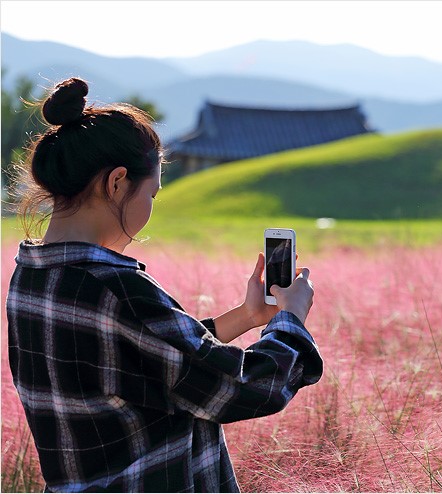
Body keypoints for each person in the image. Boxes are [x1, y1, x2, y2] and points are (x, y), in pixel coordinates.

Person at [5, 77, 322, 492]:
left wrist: (245, 317)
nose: (150, 207)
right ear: (116, 182)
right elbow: (239, 389)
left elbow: (138, 358)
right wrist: (291, 322)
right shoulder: (117, 289)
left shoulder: (29, 276)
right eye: (151, 194)